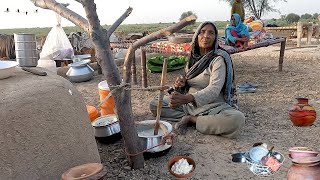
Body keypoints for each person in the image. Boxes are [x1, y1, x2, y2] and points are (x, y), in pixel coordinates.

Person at [149, 22, 245, 138]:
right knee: (155, 104)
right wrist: (181, 84)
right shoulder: (192, 59)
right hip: (189, 105)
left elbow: (214, 90)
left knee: (237, 119)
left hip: (213, 107)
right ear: (196, 36)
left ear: (215, 38)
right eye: (202, 32)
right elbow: (186, 85)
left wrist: (187, 98)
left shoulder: (219, 59)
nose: (206, 36)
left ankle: (192, 120)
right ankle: (203, 120)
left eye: (211, 33)